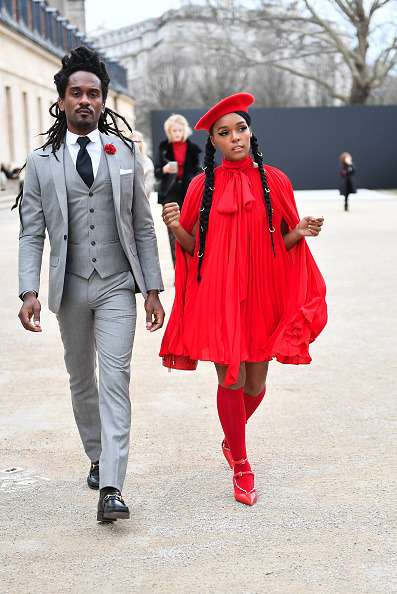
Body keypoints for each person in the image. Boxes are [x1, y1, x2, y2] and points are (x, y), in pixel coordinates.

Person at [14, 46, 165, 523]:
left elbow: (142, 225)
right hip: (70, 287)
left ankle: (113, 488)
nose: (85, 100)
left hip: (119, 282)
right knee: (82, 379)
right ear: (60, 101)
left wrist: (153, 289)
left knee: (115, 379)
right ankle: (97, 456)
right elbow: (31, 232)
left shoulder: (126, 153)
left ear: (103, 102)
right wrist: (28, 291)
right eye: (75, 93)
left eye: (93, 94)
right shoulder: (40, 162)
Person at [160, 94, 327, 506]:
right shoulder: (202, 185)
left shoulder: (276, 180)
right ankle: (242, 464)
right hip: (219, 294)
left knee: (256, 383)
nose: (235, 137)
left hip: (261, 293)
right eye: (224, 133)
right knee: (229, 378)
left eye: (241, 129)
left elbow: (280, 244)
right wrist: (174, 226)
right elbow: (192, 247)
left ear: (250, 132)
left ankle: (230, 438)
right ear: (213, 143)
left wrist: (300, 230)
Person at [154, 114, 202, 266]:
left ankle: (192, 266)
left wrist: (195, 181)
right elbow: (156, 172)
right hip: (170, 193)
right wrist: (165, 169)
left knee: (190, 231)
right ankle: (177, 268)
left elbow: (200, 171)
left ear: (184, 131)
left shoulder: (194, 149)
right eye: (174, 130)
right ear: (169, 131)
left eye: (179, 130)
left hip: (189, 193)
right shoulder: (163, 147)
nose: (177, 133)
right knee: (173, 233)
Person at [130, 131, 155, 197]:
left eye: (139, 142)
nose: (136, 144)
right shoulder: (120, 160)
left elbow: (149, 186)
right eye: (133, 142)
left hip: (142, 199)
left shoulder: (147, 162)